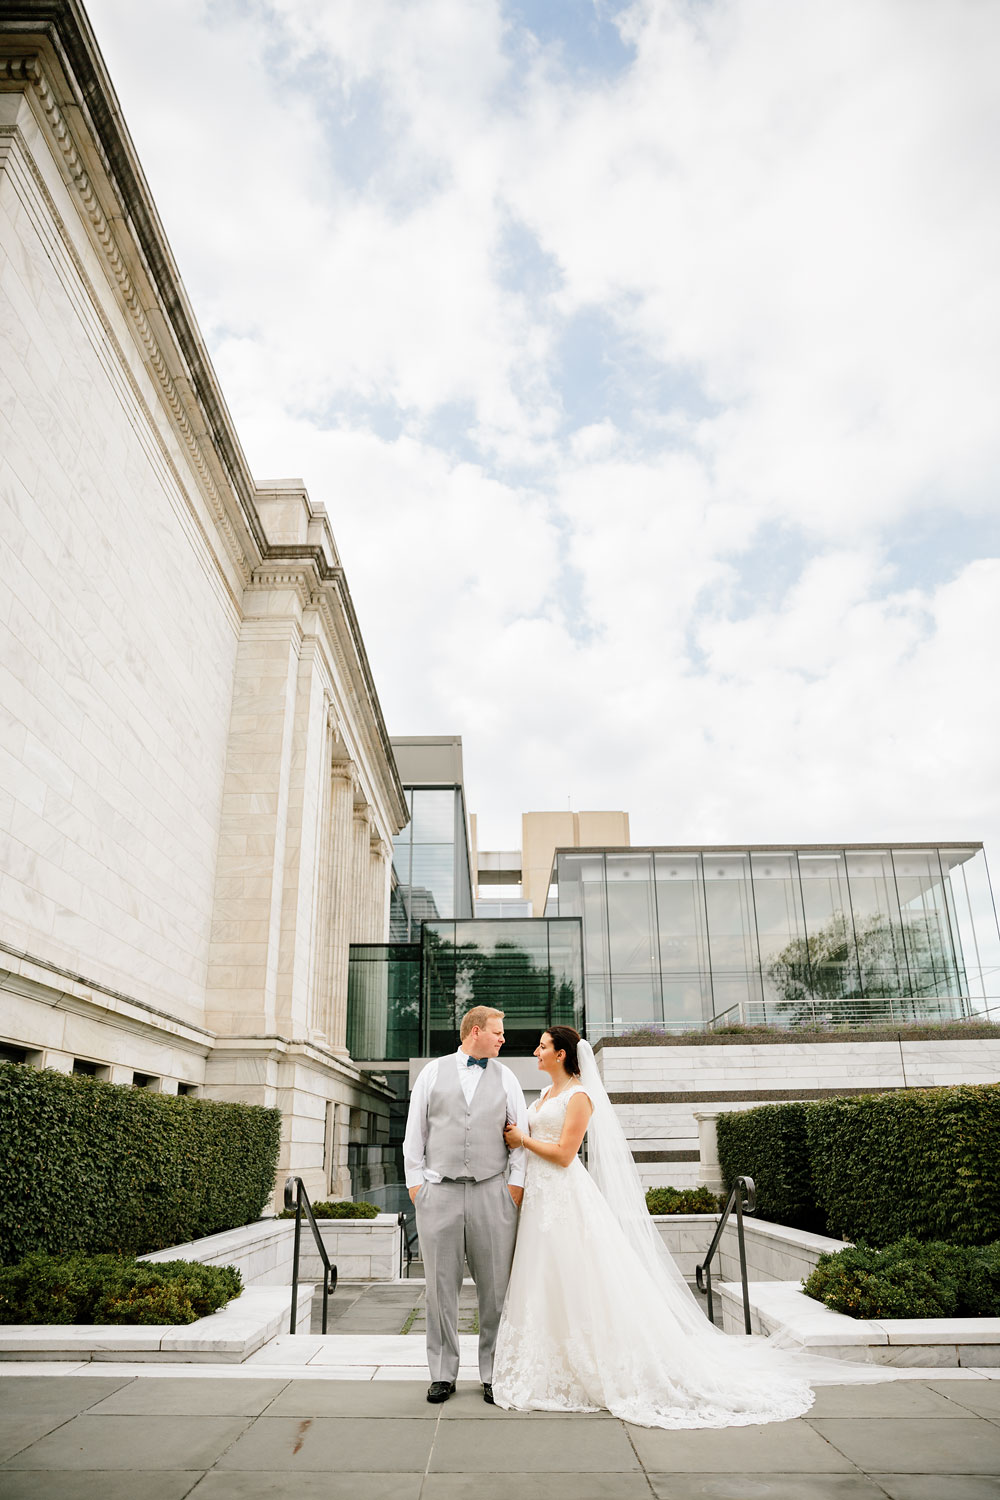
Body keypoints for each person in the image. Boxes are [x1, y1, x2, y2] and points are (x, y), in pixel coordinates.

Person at [490, 1025, 817, 1429]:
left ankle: (594, 1366)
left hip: (564, 1197)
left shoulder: (580, 1096)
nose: (535, 1052)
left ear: (560, 1054)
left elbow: (564, 1155)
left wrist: (522, 1140)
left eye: (542, 1047)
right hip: (540, 1202)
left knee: (577, 1277)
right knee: (545, 1278)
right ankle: (546, 1363)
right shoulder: (542, 1096)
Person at [403, 1005, 529, 1405]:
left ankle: (494, 1373)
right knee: (440, 1289)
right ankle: (443, 1373)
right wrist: (416, 1186)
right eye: (497, 1032)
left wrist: (514, 1189)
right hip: (438, 1193)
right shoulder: (431, 1072)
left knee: (496, 1290)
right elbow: (414, 1134)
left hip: (493, 1193)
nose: (503, 1039)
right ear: (475, 1031)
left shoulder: (507, 1077)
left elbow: (519, 1137)